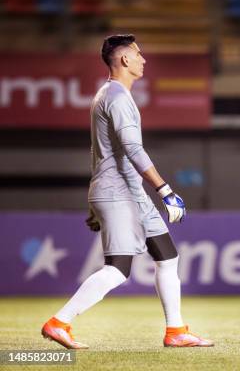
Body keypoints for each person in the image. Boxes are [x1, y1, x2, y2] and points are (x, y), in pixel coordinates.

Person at [41, 34, 213, 349]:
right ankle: (58, 322)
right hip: (120, 194)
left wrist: (95, 206)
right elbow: (133, 150)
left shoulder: (111, 95)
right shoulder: (117, 98)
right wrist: (165, 190)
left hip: (129, 194)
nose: (143, 59)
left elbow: (103, 154)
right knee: (118, 270)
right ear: (124, 60)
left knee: (168, 257)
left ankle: (176, 331)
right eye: (138, 54)